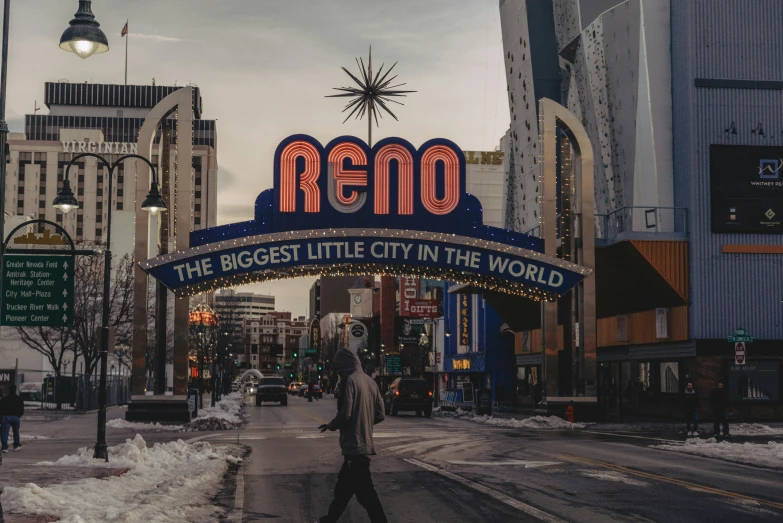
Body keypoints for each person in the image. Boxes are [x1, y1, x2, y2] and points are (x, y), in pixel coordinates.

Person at [318, 348, 387, 523]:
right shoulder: (370, 381)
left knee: (365, 495)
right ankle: (329, 519)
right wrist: (364, 422)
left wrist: (331, 425)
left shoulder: (348, 381)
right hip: (364, 445)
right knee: (344, 490)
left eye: (338, 366)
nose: (337, 370)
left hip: (353, 446)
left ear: (344, 364)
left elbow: (346, 413)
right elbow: (380, 414)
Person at [0, 385, 24, 452]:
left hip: (6, 417)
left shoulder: (4, 399)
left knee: (5, 432)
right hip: (16, 417)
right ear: (15, 389)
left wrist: (2, 417)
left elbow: (0, 409)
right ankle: (16, 445)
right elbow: (22, 410)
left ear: (8, 390)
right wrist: (18, 415)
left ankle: (5, 447)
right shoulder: (19, 398)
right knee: (16, 432)